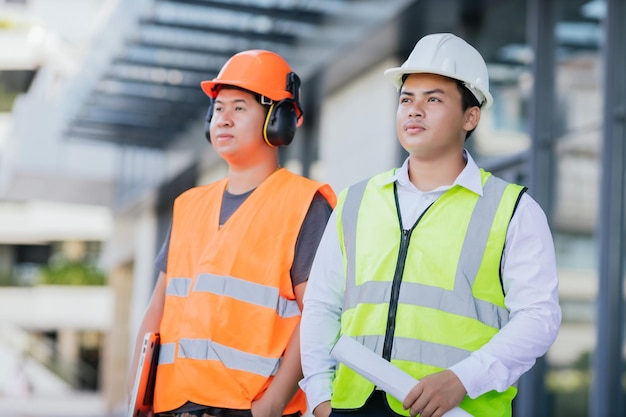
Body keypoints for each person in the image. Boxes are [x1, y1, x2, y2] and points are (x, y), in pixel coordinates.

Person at [299, 33, 561, 417]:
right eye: (407, 99)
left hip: (457, 409)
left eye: (433, 99)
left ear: (470, 117)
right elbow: (322, 304)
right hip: (352, 406)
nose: (414, 110)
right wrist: (319, 397)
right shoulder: (356, 200)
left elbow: (540, 317)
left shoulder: (513, 209)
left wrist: (462, 379)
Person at [128, 49, 336, 417]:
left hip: (249, 410)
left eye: (239, 107)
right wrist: (136, 401)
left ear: (278, 119)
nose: (224, 119)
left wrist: (270, 406)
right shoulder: (188, 205)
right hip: (171, 408)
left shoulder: (305, 204)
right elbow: (157, 310)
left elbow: (318, 316)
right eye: (218, 108)